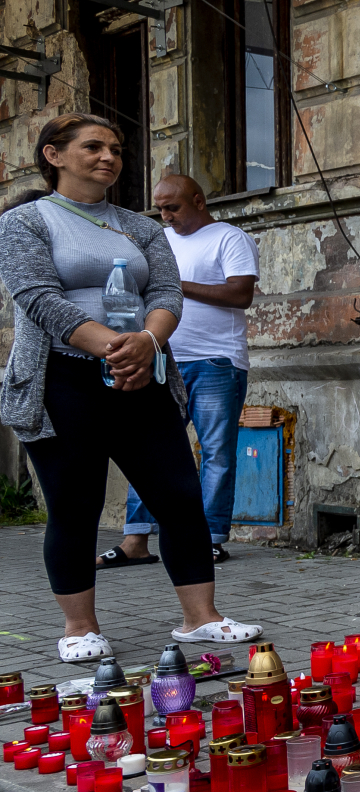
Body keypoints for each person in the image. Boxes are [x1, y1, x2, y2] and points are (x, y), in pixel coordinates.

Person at [0, 113, 263, 661]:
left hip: (143, 375)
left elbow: (167, 292)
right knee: (75, 505)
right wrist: (116, 348)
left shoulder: (138, 226)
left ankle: (201, 618)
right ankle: (80, 629)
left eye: (117, 149)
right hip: (61, 379)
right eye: (94, 147)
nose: (109, 157)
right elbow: (38, 297)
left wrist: (147, 342)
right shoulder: (26, 221)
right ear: (54, 155)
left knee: (179, 496)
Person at [96, 174, 257, 569]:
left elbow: (241, 294)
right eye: (160, 209)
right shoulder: (159, 241)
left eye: (173, 207)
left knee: (216, 451)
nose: (165, 216)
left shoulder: (228, 237)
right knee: (147, 448)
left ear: (198, 201)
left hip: (216, 360)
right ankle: (136, 541)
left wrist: (177, 286)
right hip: (162, 358)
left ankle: (210, 539)